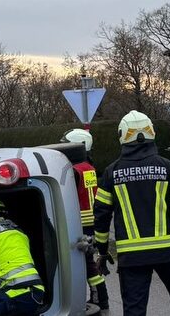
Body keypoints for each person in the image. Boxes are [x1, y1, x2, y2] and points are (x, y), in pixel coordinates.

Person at [93, 111, 170, 316]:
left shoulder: (111, 173)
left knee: (135, 310)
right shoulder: (168, 168)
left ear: (123, 135)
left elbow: (101, 216)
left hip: (132, 256)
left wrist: (103, 251)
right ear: (151, 133)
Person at [62, 128, 109, 310]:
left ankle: (99, 299)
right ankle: (100, 297)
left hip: (78, 224)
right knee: (88, 262)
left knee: (85, 264)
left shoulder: (74, 170)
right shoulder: (89, 168)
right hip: (92, 224)